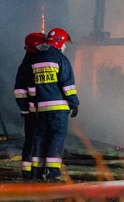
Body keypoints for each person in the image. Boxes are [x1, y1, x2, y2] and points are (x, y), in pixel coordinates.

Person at [30, 27, 79, 181]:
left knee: (40, 139)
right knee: (56, 139)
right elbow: (68, 86)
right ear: (58, 42)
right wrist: (74, 103)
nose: (64, 46)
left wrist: (33, 106)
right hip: (59, 109)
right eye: (64, 43)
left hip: (41, 109)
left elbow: (32, 87)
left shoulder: (37, 60)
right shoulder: (61, 60)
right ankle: (53, 173)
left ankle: (36, 173)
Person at [14, 31, 46, 180]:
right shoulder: (30, 65)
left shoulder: (27, 65)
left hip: (35, 111)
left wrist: (25, 108)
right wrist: (26, 108)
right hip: (36, 112)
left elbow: (20, 92)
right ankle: (31, 172)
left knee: (33, 141)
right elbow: (20, 91)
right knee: (35, 140)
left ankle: (31, 172)